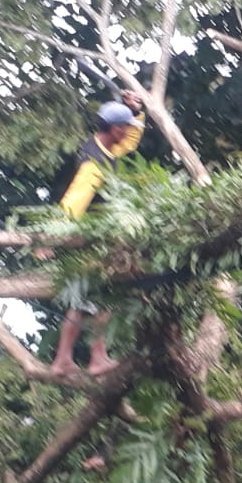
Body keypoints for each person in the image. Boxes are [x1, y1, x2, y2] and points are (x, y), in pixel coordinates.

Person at [41, 94, 147, 375]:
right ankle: (96, 357)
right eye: (125, 125)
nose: (128, 131)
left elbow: (132, 140)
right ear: (115, 129)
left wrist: (135, 111)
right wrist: (53, 237)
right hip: (89, 241)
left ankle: (63, 359)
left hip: (93, 239)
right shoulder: (94, 162)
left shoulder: (106, 145)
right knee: (103, 298)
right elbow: (75, 201)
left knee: (82, 302)